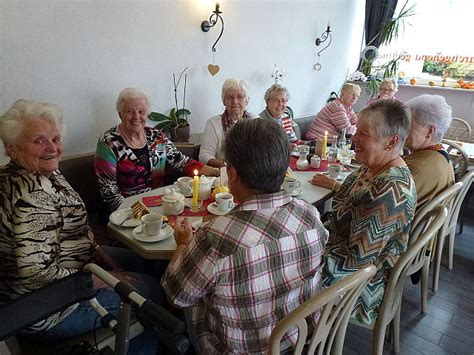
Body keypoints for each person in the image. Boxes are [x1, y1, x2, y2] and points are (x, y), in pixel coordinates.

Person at [0, 99, 160, 352]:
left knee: (146, 262)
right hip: (48, 307)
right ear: (12, 148)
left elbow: (67, 228)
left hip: (75, 264)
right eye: (38, 140)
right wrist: (100, 279)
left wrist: (96, 249)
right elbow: (38, 275)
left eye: (54, 138)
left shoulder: (41, 172)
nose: (51, 148)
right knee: (151, 290)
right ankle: (143, 340)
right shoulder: (31, 198)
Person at [162, 119, 328, 353]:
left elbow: (176, 295)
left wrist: (182, 243)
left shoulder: (216, 236)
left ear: (232, 173)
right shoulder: (310, 215)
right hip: (298, 341)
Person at [310, 99, 416, 325]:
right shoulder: (372, 169)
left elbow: (358, 259)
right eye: (356, 130)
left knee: (284, 274)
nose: (354, 138)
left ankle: (303, 338)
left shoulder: (389, 190)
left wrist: (304, 256)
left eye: (363, 134)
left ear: (391, 141)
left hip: (364, 281)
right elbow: (349, 202)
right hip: (342, 253)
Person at [95, 87, 219, 213]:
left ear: (147, 113)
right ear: (120, 114)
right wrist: (143, 214)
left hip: (162, 203)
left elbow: (182, 162)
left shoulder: (156, 136)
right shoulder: (108, 143)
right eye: (129, 112)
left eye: (141, 111)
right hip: (127, 211)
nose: (136, 116)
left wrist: (215, 172)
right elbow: (110, 193)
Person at [404, 95, 455, 211]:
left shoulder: (416, 167)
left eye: (408, 125)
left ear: (430, 131)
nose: (401, 129)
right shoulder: (439, 153)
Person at [199, 78, 257, 168]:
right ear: (224, 101)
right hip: (224, 174)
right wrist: (227, 167)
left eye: (240, 97)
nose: (235, 101)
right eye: (230, 97)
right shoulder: (213, 123)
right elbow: (204, 156)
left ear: (247, 100)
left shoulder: (256, 121)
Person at [259, 83, 303, 148]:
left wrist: (308, 144)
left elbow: (293, 140)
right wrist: (287, 147)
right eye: (276, 100)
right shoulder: (260, 122)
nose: (280, 104)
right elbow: (263, 148)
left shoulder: (285, 117)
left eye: (283, 100)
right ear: (267, 102)